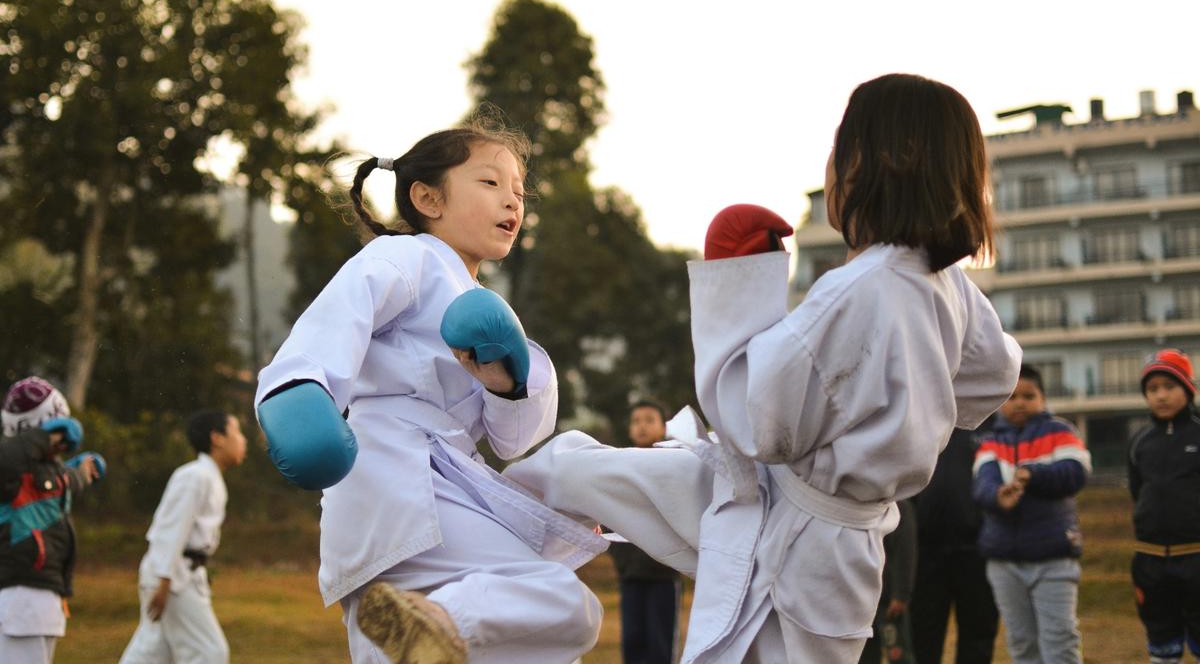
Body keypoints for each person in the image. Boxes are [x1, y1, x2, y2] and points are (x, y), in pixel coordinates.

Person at [507, 73, 1022, 662]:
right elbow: (993, 377)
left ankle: (468, 570)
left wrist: (740, 289)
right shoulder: (945, 284)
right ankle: (469, 576)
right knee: (577, 469)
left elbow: (755, 424)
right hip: (824, 524)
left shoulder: (861, 288)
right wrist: (904, 396)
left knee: (578, 473)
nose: (830, 165)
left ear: (878, 161)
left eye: (839, 147)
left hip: (802, 535)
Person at [253, 118, 606, 664]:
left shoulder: (487, 304)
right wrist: (298, 389)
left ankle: (435, 624)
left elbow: (512, 442)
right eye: (491, 184)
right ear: (427, 197)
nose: (512, 202)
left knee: (463, 648)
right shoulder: (408, 256)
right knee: (563, 605)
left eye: (519, 192)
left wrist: (507, 386)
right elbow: (340, 316)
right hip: (400, 472)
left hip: (436, 485)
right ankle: (443, 617)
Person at [973, 364, 1090, 664]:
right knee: (1021, 643)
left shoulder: (1062, 432)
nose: (1020, 402)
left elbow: (1075, 473)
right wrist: (999, 497)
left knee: (1060, 640)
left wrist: (1032, 476)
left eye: (1029, 395)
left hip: (1054, 558)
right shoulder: (989, 442)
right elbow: (982, 486)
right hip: (1004, 562)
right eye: (1011, 397)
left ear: (1043, 398)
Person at [118, 410, 247, 664]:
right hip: (173, 577)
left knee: (153, 652)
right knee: (210, 652)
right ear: (217, 438)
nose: (244, 440)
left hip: (182, 575)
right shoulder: (194, 476)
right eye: (237, 432)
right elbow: (171, 529)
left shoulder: (209, 477)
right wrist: (164, 580)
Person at [0, 377, 103, 664]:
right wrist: (44, 436)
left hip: (45, 597)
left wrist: (82, 471)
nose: (61, 444)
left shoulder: (41, 472)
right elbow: (8, 457)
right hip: (20, 598)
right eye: (58, 433)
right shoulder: (10, 469)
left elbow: (64, 481)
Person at [1128, 349, 1200, 664]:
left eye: (1169, 387)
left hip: (1196, 556)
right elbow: (1136, 491)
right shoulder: (1140, 442)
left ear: (1188, 388)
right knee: (1160, 639)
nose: (1161, 395)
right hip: (1151, 559)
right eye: (1153, 389)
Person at [909, 414, 999, 664]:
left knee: (978, 634)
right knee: (922, 635)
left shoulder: (993, 424)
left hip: (978, 552)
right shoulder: (925, 416)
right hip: (924, 553)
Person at [609, 400, 682, 664]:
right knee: (632, 641)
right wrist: (621, 558)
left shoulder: (675, 465)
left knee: (659, 646)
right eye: (636, 421)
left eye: (649, 420)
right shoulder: (620, 465)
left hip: (663, 573)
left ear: (663, 427)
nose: (642, 426)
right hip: (630, 573)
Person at [859, 498, 917, 664]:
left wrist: (901, 595)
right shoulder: (857, 503)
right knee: (863, 657)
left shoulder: (899, 507)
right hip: (862, 599)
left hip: (888, 602)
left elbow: (906, 552)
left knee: (899, 656)